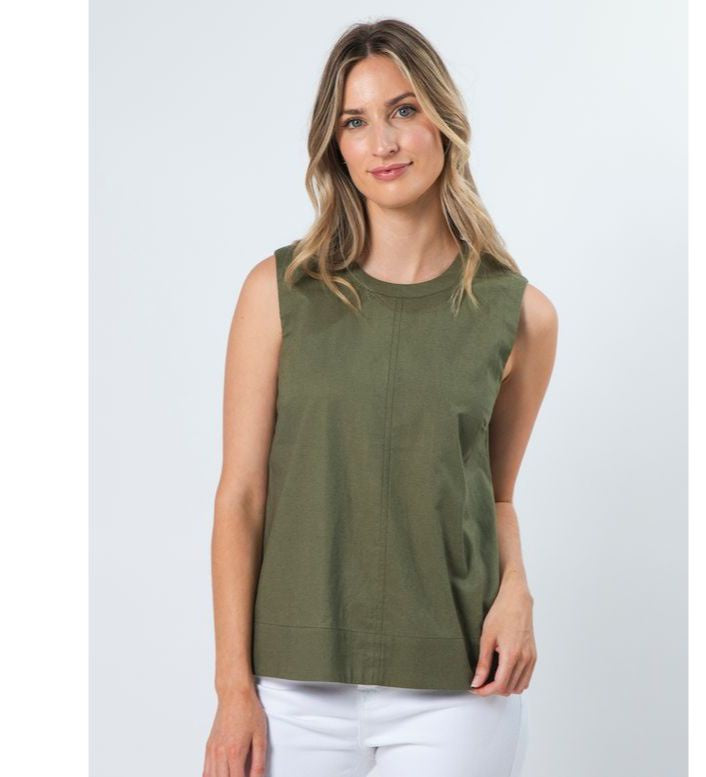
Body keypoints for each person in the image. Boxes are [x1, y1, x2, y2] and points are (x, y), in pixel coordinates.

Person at [203, 18, 558, 777]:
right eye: (355, 122)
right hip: (293, 685)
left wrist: (517, 589)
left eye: (403, 110)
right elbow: (240, 497)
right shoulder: (277, 292)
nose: (383, 142)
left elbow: (494, 495)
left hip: (458, 685)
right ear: (334, 146)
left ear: (442, 119)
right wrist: (233, 689)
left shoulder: (522, 315)